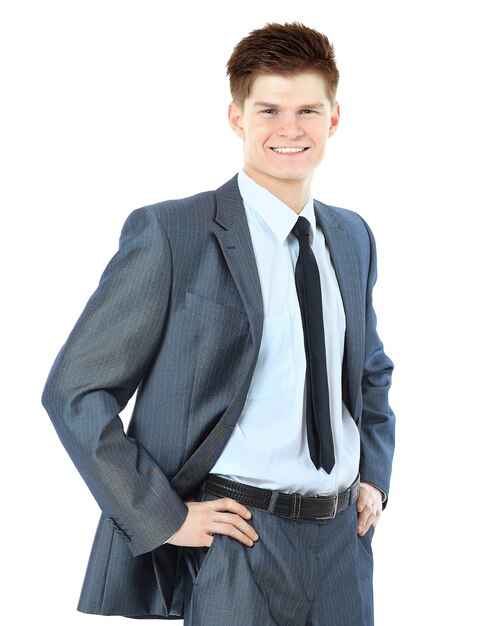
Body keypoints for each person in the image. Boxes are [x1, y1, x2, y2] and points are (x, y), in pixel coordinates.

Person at [42, 21, 395, 626]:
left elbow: (368, 374)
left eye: (309, 109)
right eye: (270, 110)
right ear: (237, 118)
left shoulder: (351, 236)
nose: (291, 129)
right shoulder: (172, 234)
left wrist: (375, 481)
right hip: (238, 544)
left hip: (343, 546)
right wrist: (164, 515)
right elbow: (75, 391)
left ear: (334, 118)